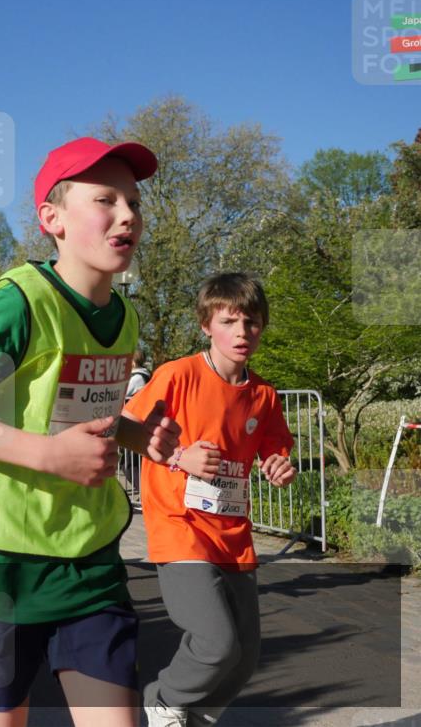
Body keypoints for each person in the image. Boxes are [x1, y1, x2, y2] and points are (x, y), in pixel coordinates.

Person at [0, 137, 181, 727]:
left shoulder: (124, 316)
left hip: (89, 561)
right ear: (54, 219)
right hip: (0, 561)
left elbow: (76, 417)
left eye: (134, 202)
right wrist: (48, 457)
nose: (128, 215)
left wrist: (134, 435)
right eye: (105, 200)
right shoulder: (19, 303)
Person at [124, 273, 295, 727]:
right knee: (215, 641)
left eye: (253, 323)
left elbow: (275, 450)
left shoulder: (264, 396)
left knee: (243, 658)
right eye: (230, 321)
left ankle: (192, 718)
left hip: (232, 535)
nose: (242, 333)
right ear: (206, 325)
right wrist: (181, 456)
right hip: (180, 528)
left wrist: (278, 465)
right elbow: (125, 426)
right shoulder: (177, 375)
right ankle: (163, 698)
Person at [121, 350, 152, 495]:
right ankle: (147, 493)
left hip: (134, 422)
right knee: (131, 465)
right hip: (137, 423)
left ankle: (147, 495)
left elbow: (121, 392)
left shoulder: (138, 377)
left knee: (128, 466)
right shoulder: (143, 375)